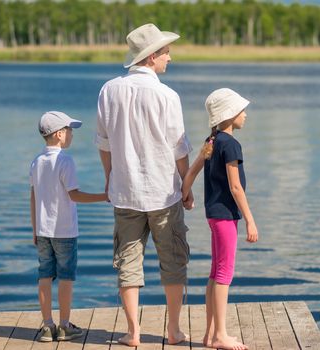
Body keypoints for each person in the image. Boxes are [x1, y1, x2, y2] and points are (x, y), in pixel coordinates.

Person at [95, 23, 193, 347]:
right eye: (165, 52)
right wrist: (186, 186)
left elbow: (104, 143)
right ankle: (175, 330)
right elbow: (179, 148)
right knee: (174, 261)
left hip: (124, 192)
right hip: (164, 192)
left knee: (128, 263)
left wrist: (109, 178)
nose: (170, 57)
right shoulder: (167, 95)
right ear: (151, 57)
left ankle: (133, 333)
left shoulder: (108, 90)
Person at [181, 88, 259, 350]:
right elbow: (236, 187)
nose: (245, 115)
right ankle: (220, 335)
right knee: (225, 273)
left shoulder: (212, 140)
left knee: (215, 273)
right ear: (229, 115)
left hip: (213, 215)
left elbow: (191, 171)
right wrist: (250, 219)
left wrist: (185, 194)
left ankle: (210, 333)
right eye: (241, 110)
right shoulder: (231, 144)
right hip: (226, 216)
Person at [30, 111, 108, 342]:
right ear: (60, 134)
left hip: (43, 231)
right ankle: (64, 325)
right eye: (70, 130)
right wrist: (104, 196)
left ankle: (47, 326)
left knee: (44, 276)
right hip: (64, 231)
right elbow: (74, 195)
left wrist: (34, 228)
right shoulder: (66, 161)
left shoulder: (36, 161)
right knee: (66, 278)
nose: (72, 134)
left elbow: (33, 197)